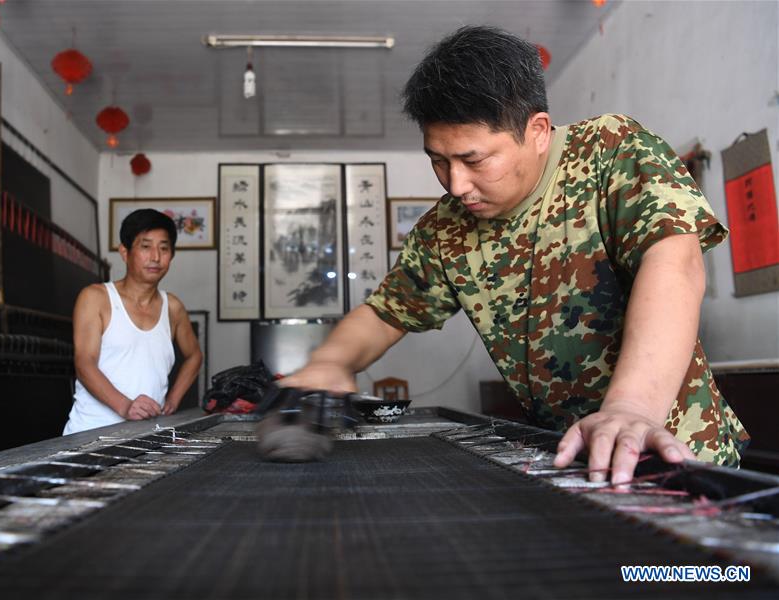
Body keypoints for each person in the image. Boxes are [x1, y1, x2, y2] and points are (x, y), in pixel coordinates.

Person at [281, 25, 748, 484]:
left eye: (474, 159)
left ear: (538, 131)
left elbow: (674, 262)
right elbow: (385, 315)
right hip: (565, 461)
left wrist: (630, 409)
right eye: (438, 161)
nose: (456, 184)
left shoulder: (610, 150)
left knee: (678, 564)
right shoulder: (445, 230)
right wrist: (332, 361)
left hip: (677, 452)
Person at [63, 209, 202, 434]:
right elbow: (84, 363)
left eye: (164, 248)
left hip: (148, 434)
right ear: (125, 252)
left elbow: (194, 356)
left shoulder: (173, 308)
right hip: (90, 433)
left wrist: (173, 400)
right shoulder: (95, 298)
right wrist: (125, 406)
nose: (156, 257)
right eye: (146, 247)